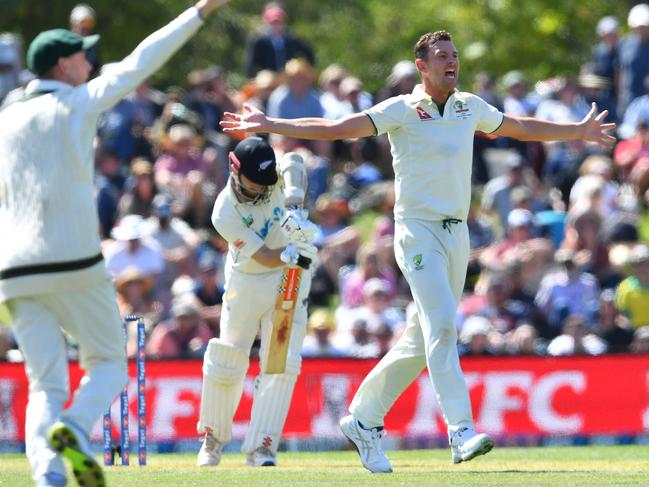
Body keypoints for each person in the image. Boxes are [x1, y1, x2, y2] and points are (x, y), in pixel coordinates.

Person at [220, 30, 616, 473]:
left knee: (419, 339)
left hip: (457, 234)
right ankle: (461, 430)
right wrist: (271, 125)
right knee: (444, 327)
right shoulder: (403, 109)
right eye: (442, 56)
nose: (452, 62)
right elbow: (337, 127)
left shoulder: (470, 106)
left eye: (454, 55)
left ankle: (364, 419)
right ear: (422, 67)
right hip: (417, 233)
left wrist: (576, 131)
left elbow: (519, 128)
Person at [0, 1, 231, 486]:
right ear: (64, 66)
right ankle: (76, 427)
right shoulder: (75, 101)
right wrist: (197, 12)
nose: (89, 63)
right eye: (83, 57)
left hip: (14, 270)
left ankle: (48, 474)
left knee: (44, 384)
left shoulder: (5, 120)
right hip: (74, 259)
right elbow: (141, 62)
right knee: (108, 363)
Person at [196, 136, 318, 468]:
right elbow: (264, 256)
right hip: (249, 281)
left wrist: (294, 198)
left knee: (281, 362)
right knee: (227, 358)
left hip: (288, 282)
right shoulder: (225, 211)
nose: (263, 191)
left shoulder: (274, 175)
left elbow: (294, 159)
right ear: (235, 171)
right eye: (255, 185)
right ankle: (213, 439)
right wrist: (292, 252)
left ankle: (262, 447)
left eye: (268, 184)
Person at [244, 1, 315, 78]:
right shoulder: (258, 41)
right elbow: (250, 66)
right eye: (273, 23)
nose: (276, 26)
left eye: (279, 22)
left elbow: (310, 55)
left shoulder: (293, 39)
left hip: (288, 80)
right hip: (267, 82)